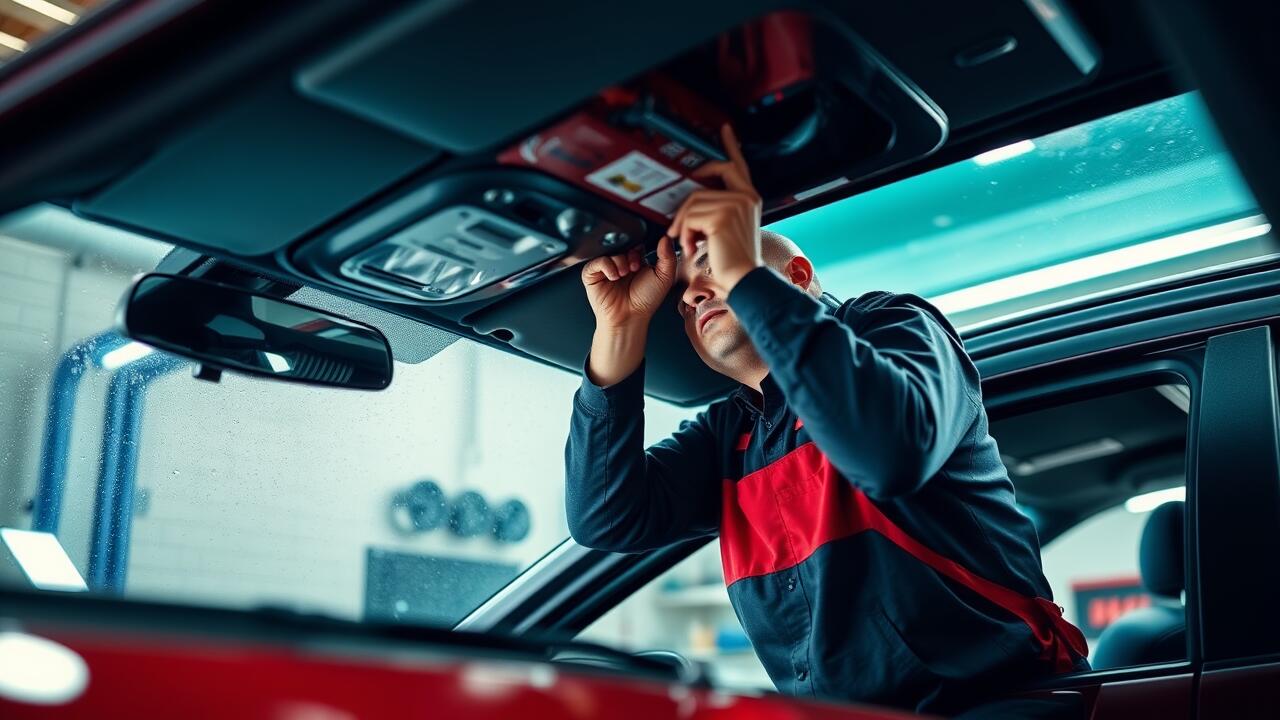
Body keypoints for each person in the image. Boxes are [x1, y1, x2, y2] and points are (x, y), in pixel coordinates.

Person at [564, 125, 1089, 716]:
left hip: (1001, 703)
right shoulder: (726, 436)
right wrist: (621, 329)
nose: (689, 296)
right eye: (681, 297)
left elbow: (887, 451)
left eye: (712, 264)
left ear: (796, 277)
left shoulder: (892, 329)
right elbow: (605, 518)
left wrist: (743, 272)